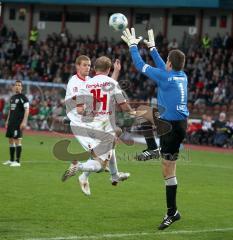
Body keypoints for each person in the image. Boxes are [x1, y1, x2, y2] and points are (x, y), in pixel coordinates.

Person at [121, 28, 189, 230]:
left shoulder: (166, 77)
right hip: (177, 123)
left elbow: (140, 65)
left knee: (167, 170)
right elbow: (162, 68)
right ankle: (152, 148)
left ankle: (172, 213)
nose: (164, 63)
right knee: (144, 112)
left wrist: (133, 46)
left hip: (172, 127)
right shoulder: (180, 75)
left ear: (169, 63)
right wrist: (153, 49)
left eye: (166, 60)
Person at [63, 55, 130, 196]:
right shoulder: (74, 83)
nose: (87, 67)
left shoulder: (88, 81)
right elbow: (80, 105)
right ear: (77, 66)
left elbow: (106, 85)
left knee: (111, 142)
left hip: (93, 122)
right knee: (100, 163)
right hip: (82, 125)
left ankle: (113, 175)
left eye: (88, 65)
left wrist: (115, 72)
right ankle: (81, 170)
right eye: (84, 65)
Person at [3, 80, 29, 167]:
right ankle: (11, 160)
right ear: (14, 87)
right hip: (11, 122)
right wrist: (7, 120)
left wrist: (24, 122)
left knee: (18, 140)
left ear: (21, 87)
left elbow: (27, 110)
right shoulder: (12, 98)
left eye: (19, 85)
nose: (17, 86)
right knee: (10, 140)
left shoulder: (24, 98)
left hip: (18, 123)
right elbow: (11, 110)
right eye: (16, 85)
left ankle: (17, 161)